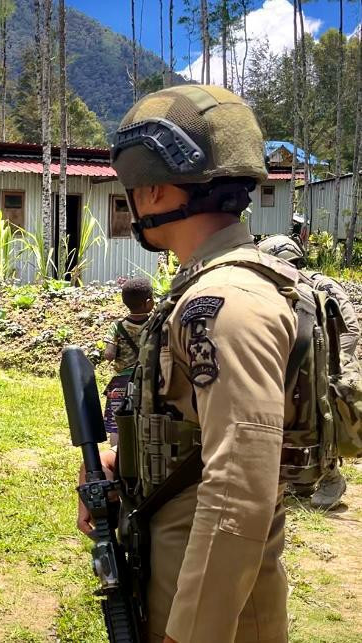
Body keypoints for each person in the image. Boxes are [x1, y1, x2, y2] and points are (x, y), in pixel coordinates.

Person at [79, 86, 296, 643]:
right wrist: (117, 458)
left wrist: (191, 631)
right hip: (175, 578)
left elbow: (239, 487)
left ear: (150, 188)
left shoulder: (225, 302)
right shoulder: (205, 286)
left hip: (210, 613)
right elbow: (193, 431)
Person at [258, 233, 359, 509]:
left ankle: (331, 477)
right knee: (295, 419)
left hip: (327, 361)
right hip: (300, 363)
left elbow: (348, 328)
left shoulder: (319, 286)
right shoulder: (281, 290)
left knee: (322, 417)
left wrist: (332, 370)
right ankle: (302, 478)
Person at [102, 277, 154, 447]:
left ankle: (116, 458)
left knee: (116, 425)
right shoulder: (155, 323)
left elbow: (109, 354)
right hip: (147, 380)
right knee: (146, 419)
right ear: (149, 302)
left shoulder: (117, 326)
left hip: (120, 382)